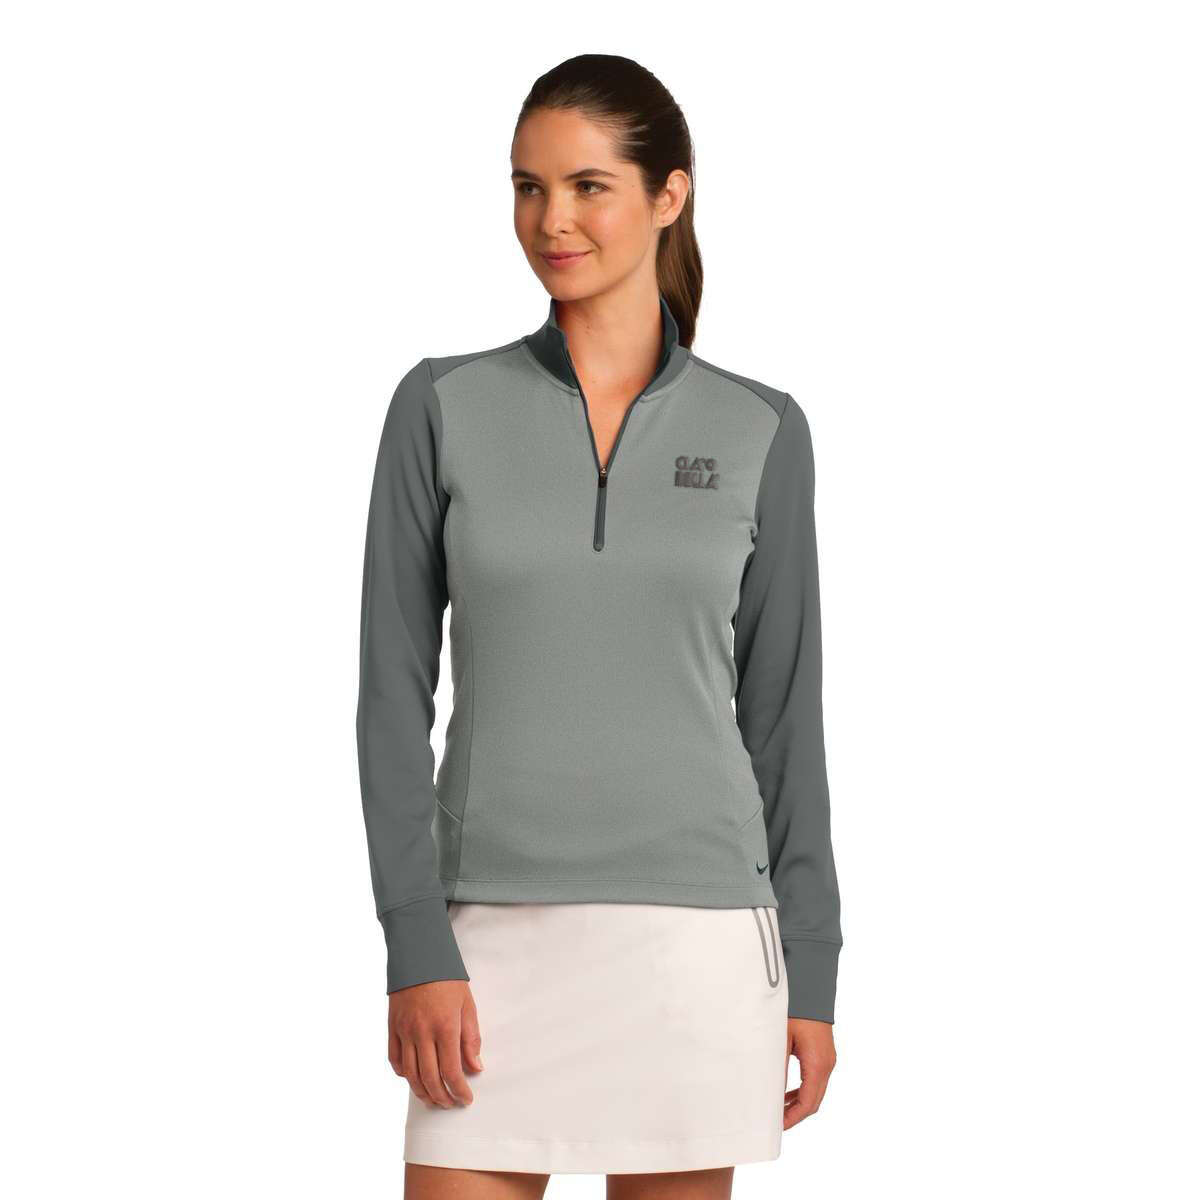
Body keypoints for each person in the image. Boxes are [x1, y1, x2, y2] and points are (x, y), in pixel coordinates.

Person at [356, 53, 842, 1194]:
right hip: (486, 943)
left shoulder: (762, 428)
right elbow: (389, 698)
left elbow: (784, 719)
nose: (551, 220)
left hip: (698, 946)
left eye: (587, 187)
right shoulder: (441, 406)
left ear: (669, 195)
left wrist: (813, 964)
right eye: (528, 187)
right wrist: (415, 941)